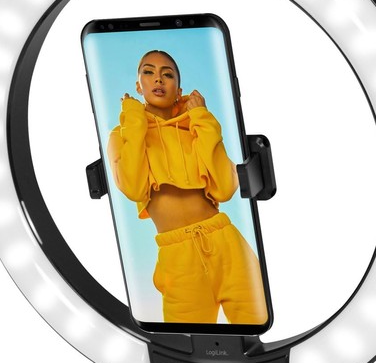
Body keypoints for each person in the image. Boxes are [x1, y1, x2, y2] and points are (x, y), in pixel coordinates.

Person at [107, 50, 267, 325]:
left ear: (178, 90)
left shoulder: (195, 126)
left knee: (254, 330)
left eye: (167, 74)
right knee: (187, 342)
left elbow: (225, 189)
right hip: (178, 258)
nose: (158, 79)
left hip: (227, 245)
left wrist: (202, 118)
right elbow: (133, 188)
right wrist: (134, 120)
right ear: (138, 87)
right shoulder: (122, 134)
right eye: (148, 72)